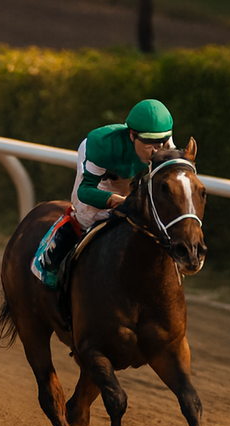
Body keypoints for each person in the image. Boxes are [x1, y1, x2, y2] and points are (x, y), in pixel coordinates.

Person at [32, 98, 175, 287]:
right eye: (149, 142)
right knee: (88, 215)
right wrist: (114, 200)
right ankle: (51, 254)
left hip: (129, 174)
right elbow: (86, 191)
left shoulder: (166, 144)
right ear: (132, 135)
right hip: (101, 173)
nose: (157, 149)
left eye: (161, 142)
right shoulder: (101, 145)